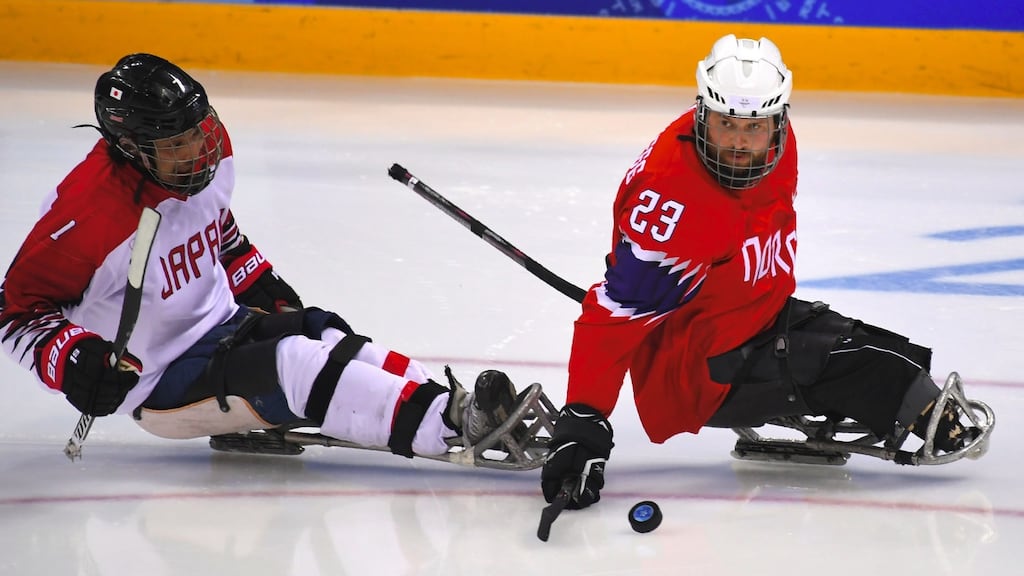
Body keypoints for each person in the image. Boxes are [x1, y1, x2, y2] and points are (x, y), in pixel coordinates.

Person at [540, 35, 991, 509]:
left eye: (754, 126)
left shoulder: (779, 146)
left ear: (778, 120)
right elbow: (613, 317)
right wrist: (582, 423)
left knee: (894, 355)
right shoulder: (676, 205)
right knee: (883, 371)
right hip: (704, 365)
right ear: (702, 114)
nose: (739, 141)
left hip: (755, 317)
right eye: (726, 124)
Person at [0, 53, 520, 459]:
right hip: (158, 380)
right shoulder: (87, 217)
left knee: (323, 333)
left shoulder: (202, 156)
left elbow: (214, 224)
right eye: (177, 143)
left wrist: (251, 275)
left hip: (223, 325)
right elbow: (16, 310)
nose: (199, 150)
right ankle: (447, 426)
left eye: (198, 130)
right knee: (295, 363)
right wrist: (73, 361)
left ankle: (456, 405)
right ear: (131, 148)